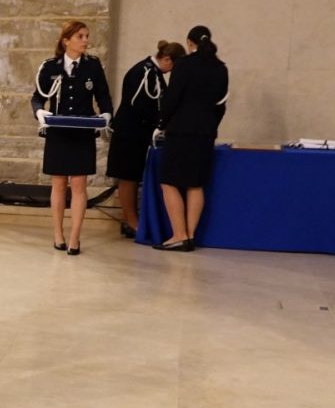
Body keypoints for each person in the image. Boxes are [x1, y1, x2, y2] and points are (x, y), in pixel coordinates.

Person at [33, 20, 113, 255]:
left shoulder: (92, 66)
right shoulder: (50, 67)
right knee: (58, 183)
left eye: (87, 36)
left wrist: (107, 114)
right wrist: (39, 112)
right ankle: (58, 234)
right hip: (58, 133)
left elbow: (103, 95)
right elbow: (37, 97)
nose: (85, 40)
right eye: (80, 36)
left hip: (82, 133)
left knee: (79, 185)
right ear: (66, 40)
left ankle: (75, 237)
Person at [156, 25, 230, 252]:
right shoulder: (220, 68)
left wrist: (161, 124)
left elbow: (172, 98)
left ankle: (179, 235)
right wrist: (210, 125)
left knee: (168, 182)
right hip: (205, 132)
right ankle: (190, 235)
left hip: (181, 130)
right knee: (195, 184)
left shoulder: (184, 64)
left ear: (190, 43)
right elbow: (221, 105)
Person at [106, 41, 180, 237]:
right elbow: (138, 105)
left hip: (138, 133)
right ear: (167, 59)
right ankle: (132, 222)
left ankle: (130, 220)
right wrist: (159, 123)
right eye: (173, 67)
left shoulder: (154, 73)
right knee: (127, 177)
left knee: (133, 176)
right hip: (129, 133)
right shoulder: (144, 72)